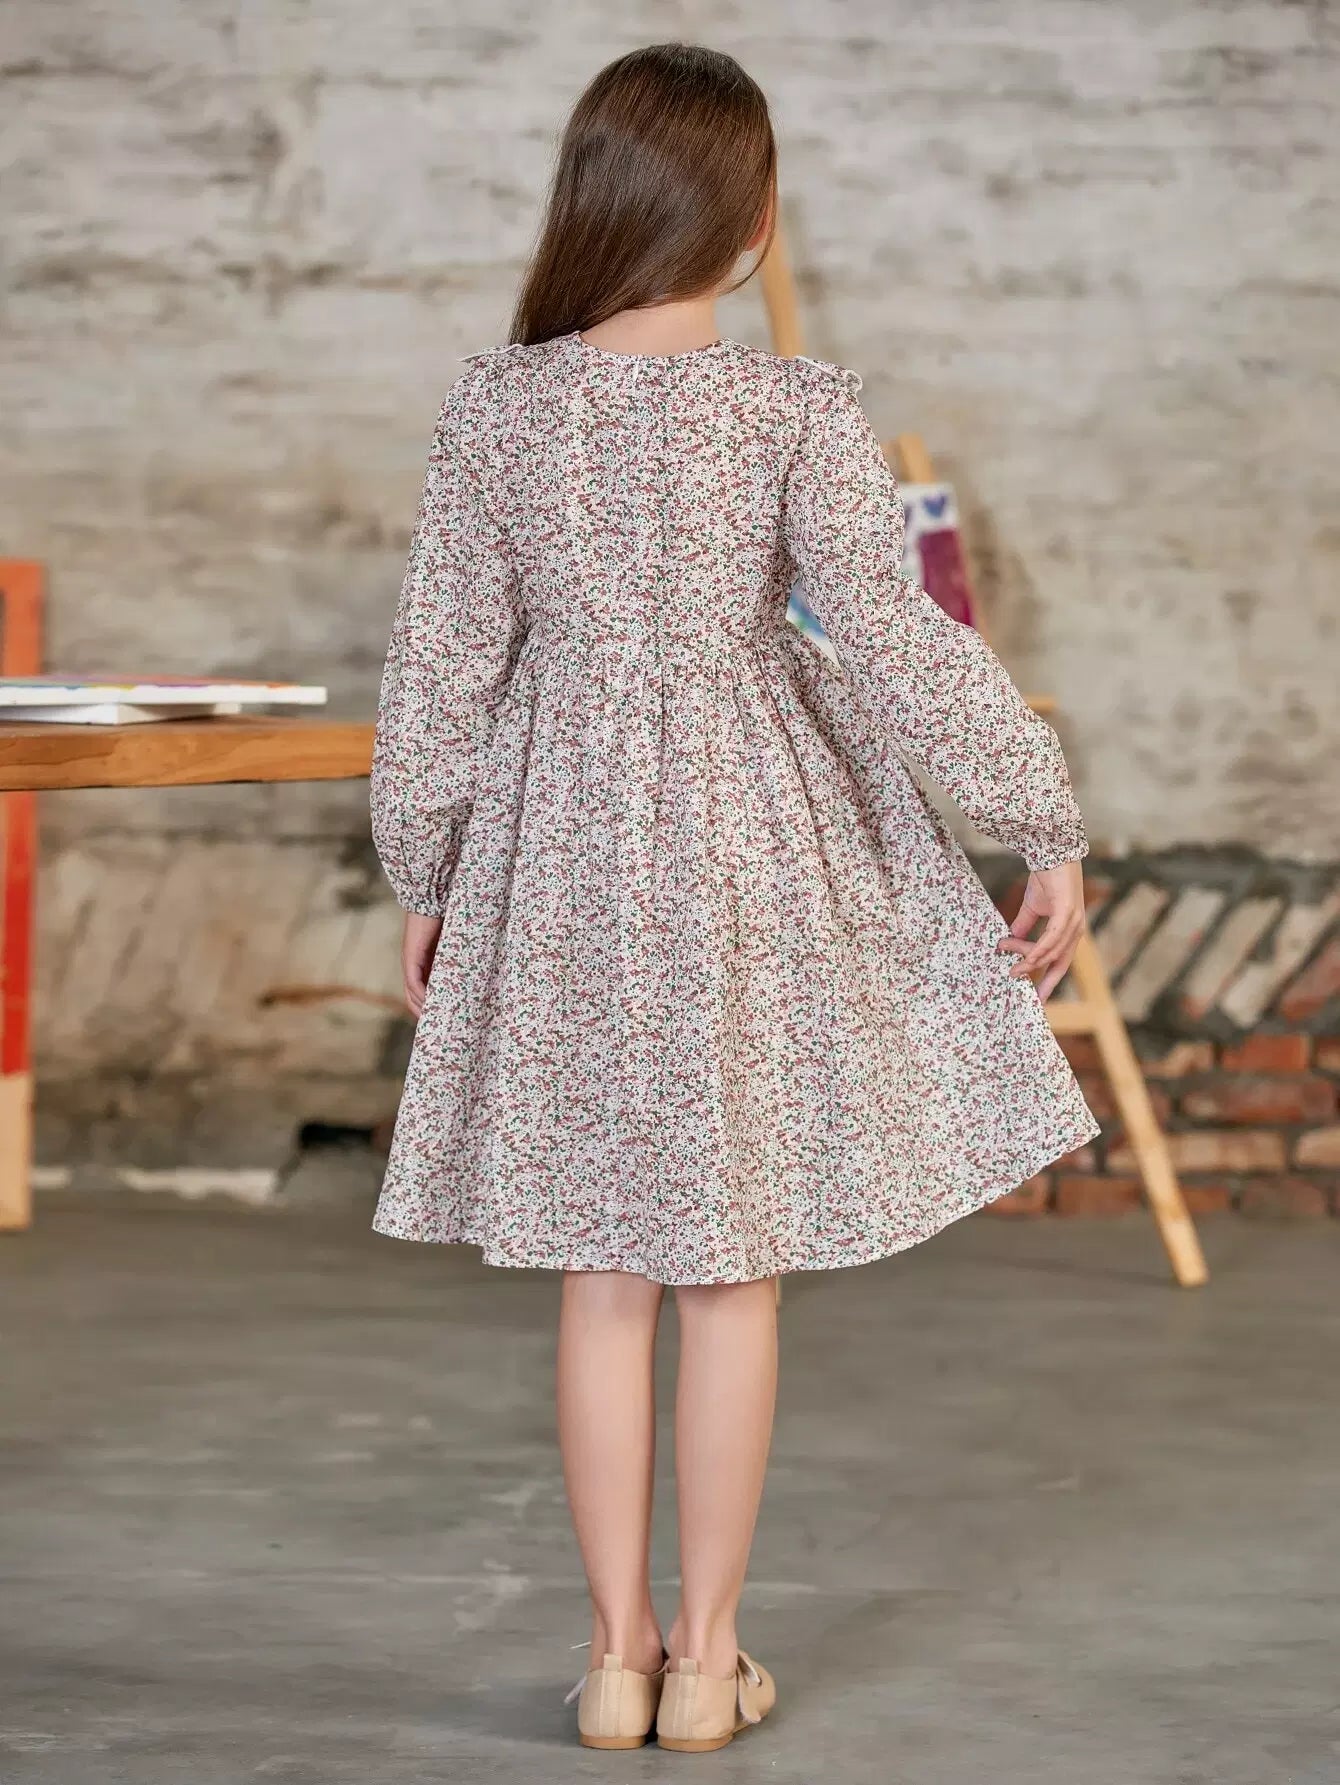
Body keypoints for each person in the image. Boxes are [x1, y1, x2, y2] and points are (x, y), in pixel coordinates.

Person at [369, 41, 1099, 1755]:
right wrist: (1036, 814)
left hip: (558, 849)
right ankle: (707, 1662)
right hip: (746, 848)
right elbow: (896, 637)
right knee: (728, 1269)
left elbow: (441, 663)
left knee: (601, 1266)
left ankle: (612, 1658)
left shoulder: (500, 409)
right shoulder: (792, 410)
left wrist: (428, 862)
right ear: (753, 220)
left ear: (592, 198)